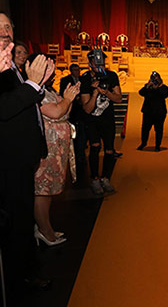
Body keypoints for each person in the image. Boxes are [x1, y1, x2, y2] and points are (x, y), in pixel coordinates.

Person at [0, 11, 55, 302]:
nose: (6, 31)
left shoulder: (10, 69)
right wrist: (32, 86)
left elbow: (23, 106)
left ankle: (24, 273)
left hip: (22, 160)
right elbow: (6, 108)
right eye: (0, 27)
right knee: (15, 226)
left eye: (9, 26)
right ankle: (16, 282)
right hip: (7, 163)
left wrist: (39, 83)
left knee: (21, 222)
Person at [34, 59, 80, 246]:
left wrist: (69, 98)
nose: (51, 72)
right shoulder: (36, 92)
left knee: (51, 189)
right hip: (48, 146)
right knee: (42, 190)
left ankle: (46, 226)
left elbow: (65, 111)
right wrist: (67, 99)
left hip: (57, 146)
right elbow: (55, 112)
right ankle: (44, 230)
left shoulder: (48, 89)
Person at [80, 49, 122, 195]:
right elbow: (87, 109)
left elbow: (118, 98)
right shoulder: (85, 79)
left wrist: (107, 92)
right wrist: (96, 92)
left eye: (101, 61)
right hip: (92, 120)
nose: (99, 64)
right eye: (95, 61)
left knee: (109, 149)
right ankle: (94, 179)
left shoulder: (111, 76)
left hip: (108, 119)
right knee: (95, 147)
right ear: (89, 62)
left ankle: (105, 178)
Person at [60, 63, 87, 182]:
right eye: (75, 70)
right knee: (74, 136)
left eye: (78, 69)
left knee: (82, 136)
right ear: (71, 71)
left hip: (82, 112)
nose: (77, 71)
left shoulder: (83, 79)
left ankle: (81, 156)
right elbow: (63, 93)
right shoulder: (65, 80)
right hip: (72, 111)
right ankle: (75, 156)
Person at [137, 71, 168, 152]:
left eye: (156, 79)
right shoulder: (148, 87)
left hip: (159, 112)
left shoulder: (164, 87)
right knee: (145, 129)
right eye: (153, 79)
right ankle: (143, 143)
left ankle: (157, 146)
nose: (154, 80)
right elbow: (141, 93)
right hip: (148, 112)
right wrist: (147, 86)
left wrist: (157, 88)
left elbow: (165, 95)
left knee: (158, 130)